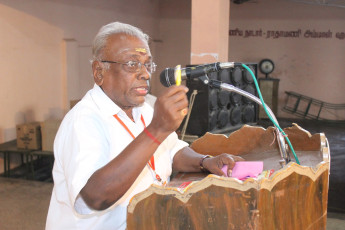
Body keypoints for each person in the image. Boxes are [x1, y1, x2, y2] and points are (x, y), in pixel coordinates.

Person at [46, 21, 242, 230]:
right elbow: (95, 196)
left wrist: (206, 162)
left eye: (147, 64)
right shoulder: (83, 121)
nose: (145, 74)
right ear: (99, 71)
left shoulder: (144, 108)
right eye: (132, 64)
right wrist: (157, 129)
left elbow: (172, 151)